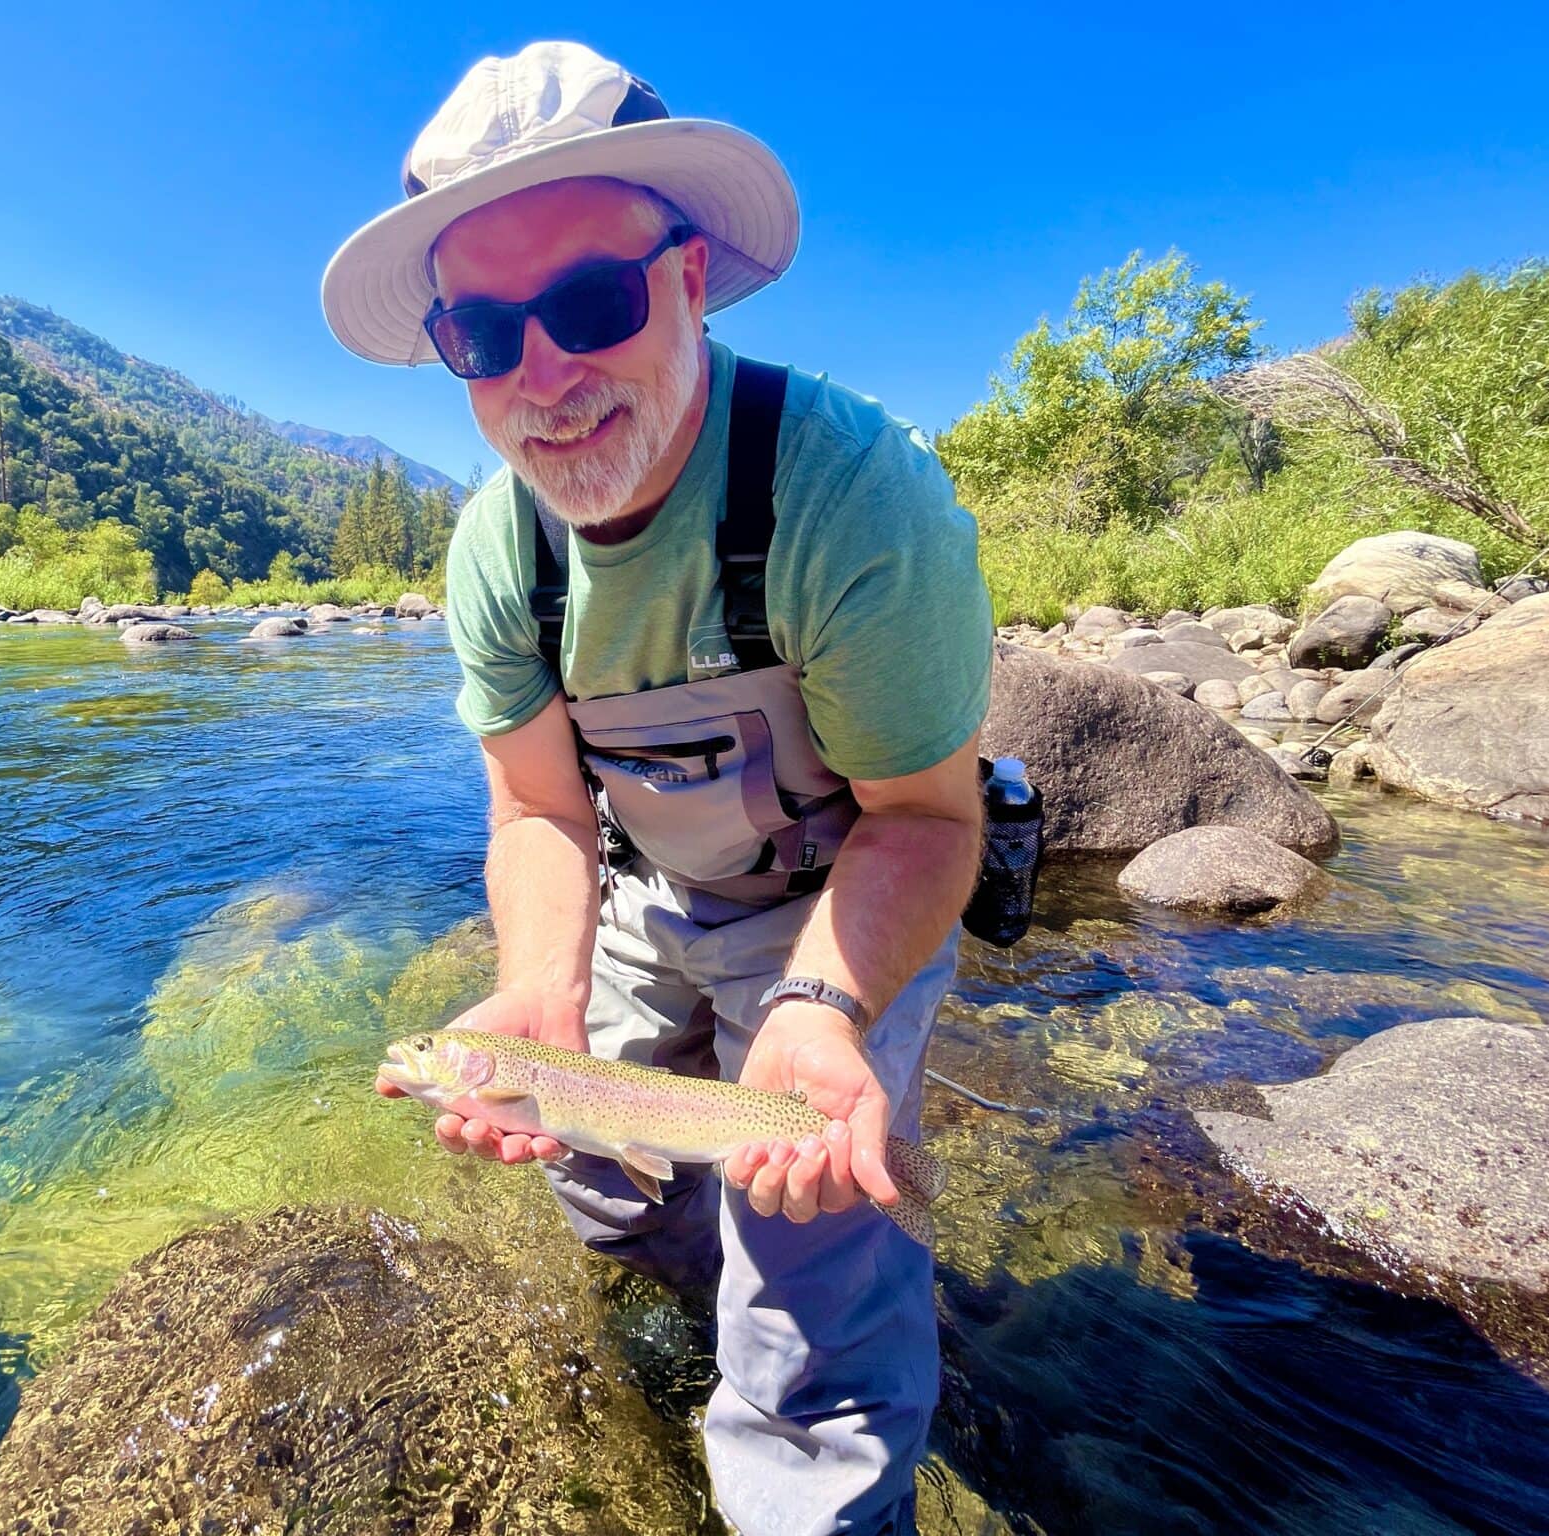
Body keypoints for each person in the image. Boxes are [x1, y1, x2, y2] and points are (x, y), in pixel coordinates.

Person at [324, 41, 993, 1536]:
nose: (542, 377)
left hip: (846, 892)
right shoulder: (498, 552)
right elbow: (545, 814)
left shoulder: (849, 497)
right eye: (484, 334)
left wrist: (821, 1017)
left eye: (589, 305)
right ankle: (693, 1316)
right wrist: (531, 999)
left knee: (802, 1271)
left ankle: (808, 1438)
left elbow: (929, 821)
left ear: (688, 276)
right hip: (645, 881)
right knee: (612, 1193)